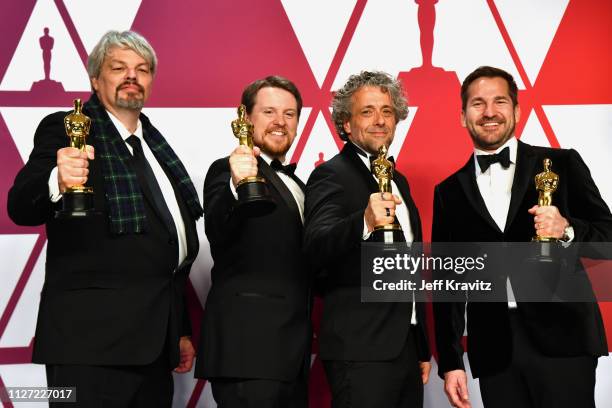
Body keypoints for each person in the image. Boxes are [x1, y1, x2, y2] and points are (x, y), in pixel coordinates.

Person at [7, 30, 202, 407]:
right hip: (89, 348)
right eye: (119, 67)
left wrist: (178, 330)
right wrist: (56, 180)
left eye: (142, 69)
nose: (132, 76)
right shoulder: (66, 129)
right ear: (96, 79)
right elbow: (21, 206)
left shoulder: (158, 149)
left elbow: (166, 251)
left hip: (154, 347)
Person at [433, 65, 612, 408]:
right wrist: (452, 362)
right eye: (478, 103)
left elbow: (608, 236)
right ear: (462, 116)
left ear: (516, 110)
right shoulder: (449, 192)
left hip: (564, 342)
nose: (489, 112)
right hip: (494, 350)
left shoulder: (561, 163)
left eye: (499, 101)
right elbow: (448, 282)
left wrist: (567, 229)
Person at [304, 71, 431, 407]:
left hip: (403, 348)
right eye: (367, 111)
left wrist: (419, 344)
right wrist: (363, 220)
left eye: (387, 111)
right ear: (346, 124)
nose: (379, 121)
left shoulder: (398, 179)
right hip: (359, 351)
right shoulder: (330, 174)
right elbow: (315, 245)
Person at [195, 76, 311, 407]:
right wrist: (239, 182)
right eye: (269, 111)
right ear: (245, 119)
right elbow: (218, 226)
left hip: (292, 355)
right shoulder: (225, 170)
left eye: (290, 114)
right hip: (248, 352)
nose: (280, 122)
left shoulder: (300, 185)